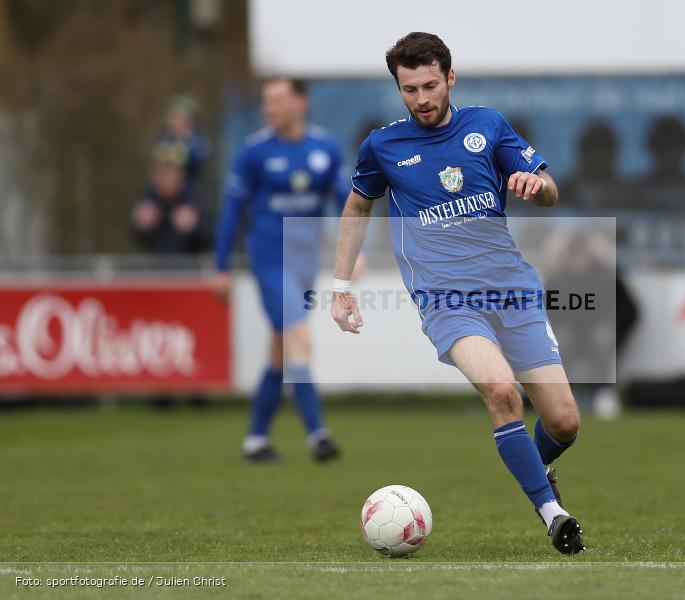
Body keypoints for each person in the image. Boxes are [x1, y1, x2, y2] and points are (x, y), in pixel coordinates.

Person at [330, 32, 585, 554]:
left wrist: (538, 188)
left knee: (563, 421)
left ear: (450, 77)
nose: (421, 99)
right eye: (408, 90)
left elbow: (550, 187)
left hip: (512, 291)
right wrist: (340, 286)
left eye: (429, 85)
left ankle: (535, 469)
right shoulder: (383, 146)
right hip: (447, 300)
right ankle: (552, 512)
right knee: (501, 392)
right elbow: (357, 208)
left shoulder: (487, 126)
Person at [213, 78, 349, 463]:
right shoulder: (254, 152)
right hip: (270, 261)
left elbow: (347, 204)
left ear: (301, 102)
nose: (269, 108)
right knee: (300, 339)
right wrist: (220, 265)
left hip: (304, 263)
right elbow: (232, 211)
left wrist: (353, 252)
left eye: (277, 100)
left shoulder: (324, 148)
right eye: (265, 101)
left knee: (280, 350)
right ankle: (318, 435)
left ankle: (256, 439)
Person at [131, 156, 211, 255]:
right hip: (156, 265)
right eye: (162, 174)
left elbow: (208, 239)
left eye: (170, 174)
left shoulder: (195, 200)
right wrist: (141, 227)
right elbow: (138, 239)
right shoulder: (149, 199)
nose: (166, 180)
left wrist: (193, 229)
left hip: (190, 266)